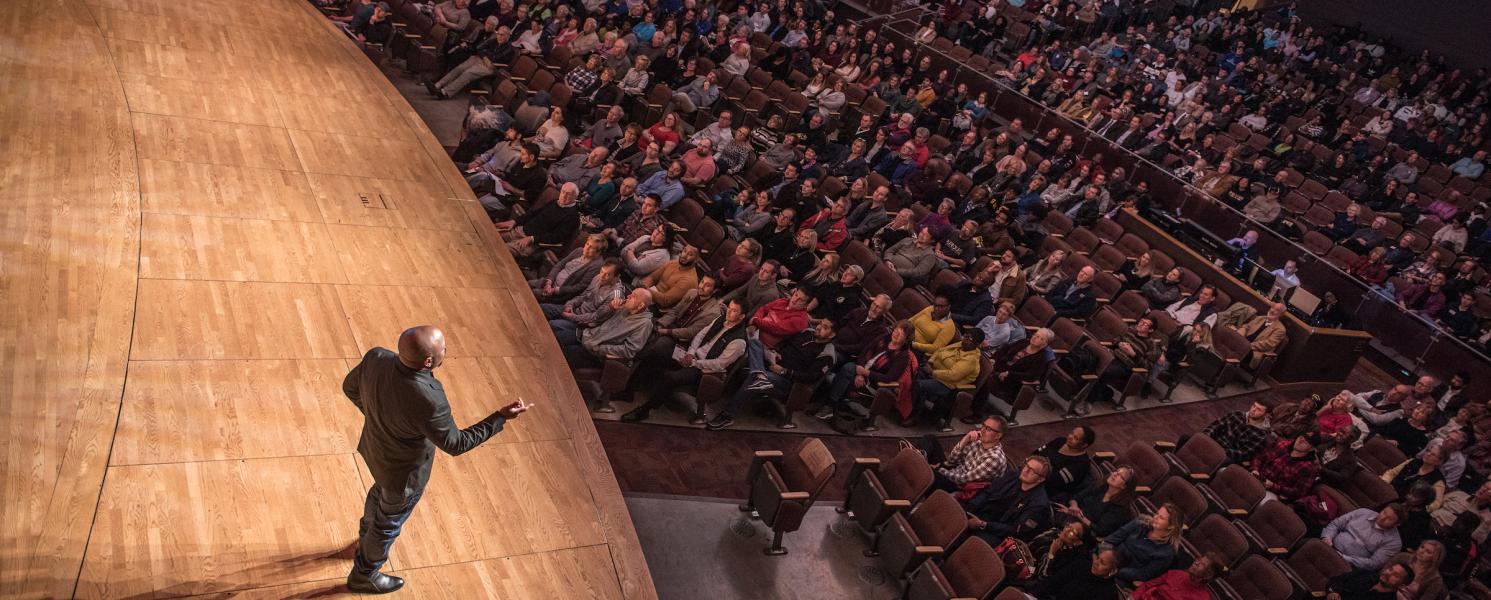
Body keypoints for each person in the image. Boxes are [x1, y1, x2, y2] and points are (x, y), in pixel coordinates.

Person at [342, 326, 531, 593]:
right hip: (405, 474)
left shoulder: (376, 357)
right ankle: (364, 574)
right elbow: (456, 444)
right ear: (428, 361)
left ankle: (364, 542)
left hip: (376, 451)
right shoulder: (428, 398)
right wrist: (499, 417)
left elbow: (349, 387)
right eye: (443, 348)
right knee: (387, 523)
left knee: (378, 495)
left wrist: (379, 418)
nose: (447, 350)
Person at [621, 299, 748, 424]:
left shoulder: (739, 341)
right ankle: (628, 391)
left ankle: (644, 411)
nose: (729, 312)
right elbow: (700, 335)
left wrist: (694, 363)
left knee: (671, 378)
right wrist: (690, 353)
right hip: (691, 356)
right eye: (729, 308)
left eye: (734, 311)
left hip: (703, 370)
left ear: (741, 316)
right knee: (656, 353)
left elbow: (719, 364)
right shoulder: (721, 319)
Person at [707, 319, 835, 429]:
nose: (818, 327)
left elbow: (810, 378)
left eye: (825, 327)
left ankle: (728, 415)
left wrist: (784, 371)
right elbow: (786, 342)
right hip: (773, 363)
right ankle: (759, 372)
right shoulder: (807, 332)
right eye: (820, 324)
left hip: (786, 381)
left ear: (832, 334)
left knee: (754, 379)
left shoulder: (827, 354)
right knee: (753, 342)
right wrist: (775, 351)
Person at [965, 456, 1052, 544]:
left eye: (1032, 471)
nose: (1026, 471)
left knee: (972, 542)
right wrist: (969, 509)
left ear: (1040, 479)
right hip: (985, 513)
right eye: (1026, 466)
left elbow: (1015, 531)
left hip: (999, 534)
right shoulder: (1014, 475)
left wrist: (983, 524)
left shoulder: (1039, 504)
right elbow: (988, 492)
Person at [1105, 503, 1183, 584]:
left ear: (1171, 527)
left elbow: (1143, 574)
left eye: (1161, 518)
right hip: (1108, 558)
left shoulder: (1166, 553)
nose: (1155, 517)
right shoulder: (1140, 522)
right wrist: (1102, 554)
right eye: (1157, 513)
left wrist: (1114, 571)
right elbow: (1111, 539)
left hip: (1122, 577)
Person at [926, 416, 1009, 492]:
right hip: (955, 472)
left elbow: (963, 480)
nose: (982, 430)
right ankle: (920, 457)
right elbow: (952, 461)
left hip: (960, 487)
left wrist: (938, 469)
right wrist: (965, 440)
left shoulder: (994, 458)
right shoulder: (979, 441)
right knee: (929, 439)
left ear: (998, 435)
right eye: (983, 425)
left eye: (988, 429)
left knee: (928, 472)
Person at [1059, 465, 1135, 538]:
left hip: (1086, 532)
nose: (1114, 474)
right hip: (1071, 516)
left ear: (1124, 486)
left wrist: (1078, 515)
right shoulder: (1099, 486)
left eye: (1120, 476)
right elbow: (1075, 497)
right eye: (1116, 471)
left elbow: (1099, 530)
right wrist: (1074, 506)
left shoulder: (1120, 508)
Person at [1322, 504, 1404, 571]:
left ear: (1397, 524)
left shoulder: (1394, 542)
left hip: (1348, 564)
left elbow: (1373, 563)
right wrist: (1327, 537)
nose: (1382, 518)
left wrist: (1343, 558)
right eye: (1384, 512)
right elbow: (1335, 525)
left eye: (1389, 519)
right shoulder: (1363, 513)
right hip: (1329, 545)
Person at [1252, 432, 1321, 503]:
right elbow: (1259, 457)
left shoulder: (1310, 468)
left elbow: (1298, 492)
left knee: (1262, 501)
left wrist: (1273, 486)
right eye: (1301, 437)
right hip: (1258, 477)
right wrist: (1255, 469)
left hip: (1274, 493)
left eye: (1305, 442)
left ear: (1312, 449)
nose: (1300, 441)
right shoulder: (1282, 444)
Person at [1029, 548, 1122, 600]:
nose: (1096, 562)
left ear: (1112, 571)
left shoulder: (1109, 595)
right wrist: (1032, 595)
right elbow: (1054, 581)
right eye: (1098, 558)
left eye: (1102, 563)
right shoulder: (1082, 565)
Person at [1034, 426, 1095, 503]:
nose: (1070, 437)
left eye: (1075, 438)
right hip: (1034, 473)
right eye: (1071, 433)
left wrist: (1034, 470)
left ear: (1084, 445)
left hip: (1044, 490)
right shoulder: (1060, 441)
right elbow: (1036, 453)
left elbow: (1054, 480)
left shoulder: (1080, 464)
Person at [1201, 401, 1272, 466]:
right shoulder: (1236, 414)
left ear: (1266, 415)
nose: (1253, 410)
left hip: (1228, 455)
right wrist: (1205, 436)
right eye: (1253, 406)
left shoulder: (1262, 435)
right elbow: (1215, 426)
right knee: (1196, 439)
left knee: (1213, 460)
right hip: (1213, 442)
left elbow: (1245, 453)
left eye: (1259, 409)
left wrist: (1220, 451)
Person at [1131, 552, 1224, 600]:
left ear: (1208, 575)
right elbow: (1147, 585)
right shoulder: (1176, 573)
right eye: (1198, 560)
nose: (1196, 563)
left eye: (1202, 564)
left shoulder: (1202, 598)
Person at [1324, 559, 1413, 600]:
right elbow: (1336, 580)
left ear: (1402, 586)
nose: (1388, 573)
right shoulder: (1365, 574)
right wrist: (1332, 592)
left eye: (1395, 575)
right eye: (1390, 569)